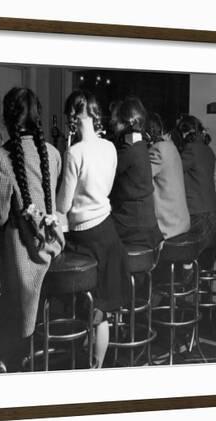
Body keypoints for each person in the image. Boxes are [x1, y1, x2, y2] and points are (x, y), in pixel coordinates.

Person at [0, 87, 64, 371]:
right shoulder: (53, 154)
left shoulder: (1, 158)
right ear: (37, 116)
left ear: (7, 117)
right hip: (53, 246)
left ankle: (11, 358)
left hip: (22, 253)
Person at [56, 90, 130, 368]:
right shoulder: (110, 148)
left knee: (86, 302)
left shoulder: (74, 152)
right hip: (108, 233)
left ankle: (84, 362)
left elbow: (63, 205)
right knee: (103, 309)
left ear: (73, 116)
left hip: (84, 236)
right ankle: (97, 366)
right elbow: (106, 189)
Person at [109, 97, 163, 250]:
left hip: (134, 228)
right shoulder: (141, 147)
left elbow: (105, 178)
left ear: (128, 124)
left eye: (117, 121)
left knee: (97, 239)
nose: (113, 124)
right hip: (148, 226)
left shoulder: (128, 152)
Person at [174, 115, 216, 269]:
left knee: (177, 249)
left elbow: (173, 171)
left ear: (184, 133)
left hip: (201, 217)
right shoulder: (208, 150)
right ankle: (197, 287)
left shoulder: (191, 150)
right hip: (214, 215)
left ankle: (184, 287)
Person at [146, 112, 190, 240]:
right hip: (180, 223)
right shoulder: (171, 147)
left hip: (168, 228)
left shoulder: (158, 149)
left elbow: (139, 179)